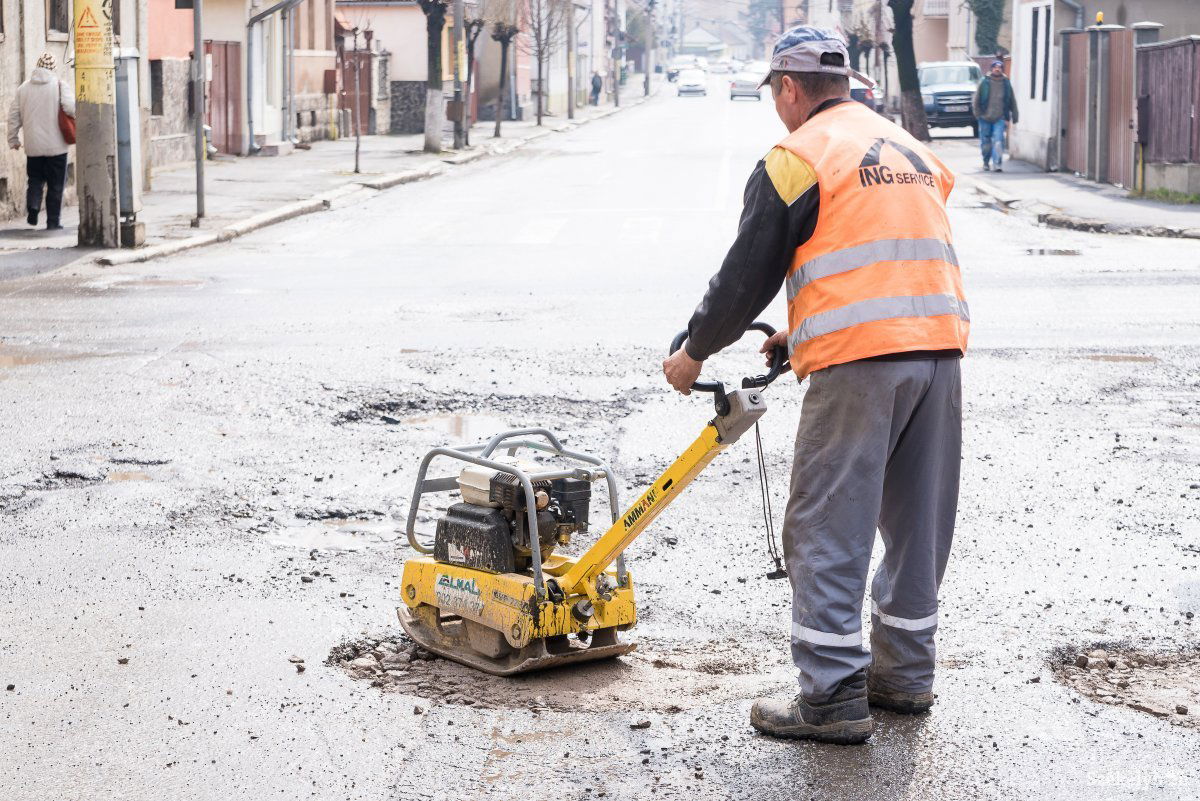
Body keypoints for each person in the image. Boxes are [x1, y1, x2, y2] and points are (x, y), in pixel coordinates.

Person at [661, 26, 968, 745]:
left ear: (790, 91)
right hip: (940, 352)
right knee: (918, 524)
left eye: (777, 94)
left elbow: (744, 279)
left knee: (827, 523)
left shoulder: (797, 157)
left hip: (862, 366)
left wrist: (693, 354)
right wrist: (800, 333)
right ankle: (904, 675)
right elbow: (887, 257)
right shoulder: (907, 148)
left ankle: (830, 695)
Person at [7, 52, 74, 230]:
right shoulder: (60, 86)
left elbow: (14, 116)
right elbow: (71, 108)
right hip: (57, 146)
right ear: (53, 69)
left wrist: (13, 139)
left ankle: (33, 207)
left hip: (33, 146)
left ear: (37, 67)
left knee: (35, 180)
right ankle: (53, 222)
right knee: (56, 185)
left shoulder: (23, 89)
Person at [972, 59, 1017, 172]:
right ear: (991, 69)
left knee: (998, 140)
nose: (997, 69)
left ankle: (997, 163)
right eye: (995, 67)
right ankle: (986, 162)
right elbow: (976, 98)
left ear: (1002, 69)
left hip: (1000, 117)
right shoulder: (984, 82)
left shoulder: (1006, 83)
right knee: (986, 143)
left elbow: (1011, 100)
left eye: (1000, 67)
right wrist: (977, 114)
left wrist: (1014, 115)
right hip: (985, 117)